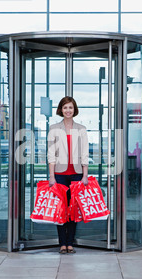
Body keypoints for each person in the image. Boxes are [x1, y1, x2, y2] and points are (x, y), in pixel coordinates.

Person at [47, 96, 89, 254]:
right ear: (60, 110)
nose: (68, 110)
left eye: (70, 107)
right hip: (59, 174)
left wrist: (85, 175)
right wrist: (52, 176)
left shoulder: (81, 129)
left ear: (74, 109)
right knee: (61, 210)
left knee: (73, 210)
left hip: (77, 174)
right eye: (65, 108)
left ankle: (70, 243)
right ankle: (62, 243)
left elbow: (84, 153)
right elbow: (51, 153)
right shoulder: (54, 128)